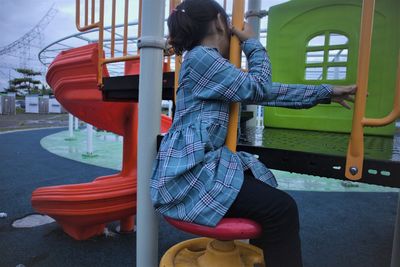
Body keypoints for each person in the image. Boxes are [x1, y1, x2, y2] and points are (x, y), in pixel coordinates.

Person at [151, 0, 356, 266]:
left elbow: (261, 90)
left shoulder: (202, 61)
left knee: (270, 200)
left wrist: (323, 92)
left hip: (197, 165)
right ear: (218, 22)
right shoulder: (203, 57)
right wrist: (251, 43)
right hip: (190, 175)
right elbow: (260, 87)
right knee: (281, 209)